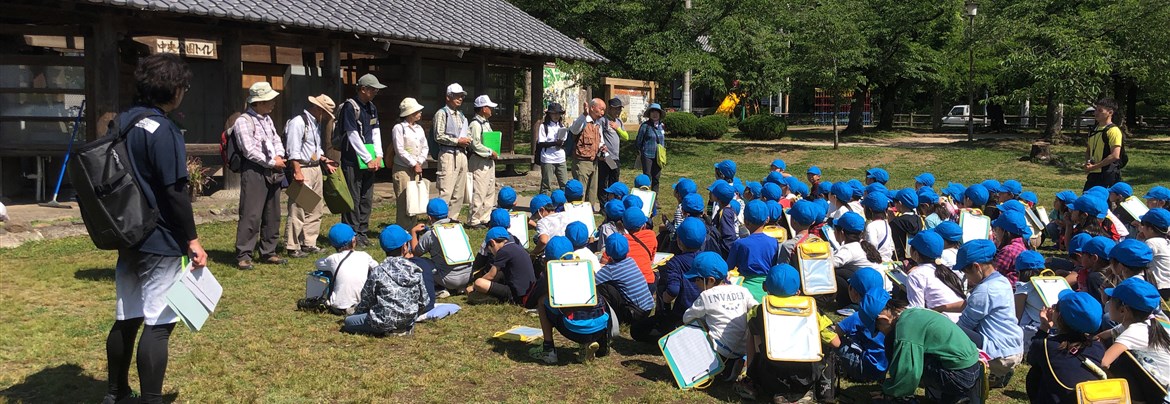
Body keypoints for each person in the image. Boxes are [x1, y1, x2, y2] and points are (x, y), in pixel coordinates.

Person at [102, 53, 207, 404]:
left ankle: (115, 393)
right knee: (158, 323)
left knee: (126, 316)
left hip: (124, 229)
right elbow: (175, 192)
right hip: (158, 235)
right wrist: (192, 239)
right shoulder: (164, 130)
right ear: (174, 89)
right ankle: (151, 399)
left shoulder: (123, 122)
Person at [740, 264, 840, 403]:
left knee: (753, 334)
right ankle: (806, 392)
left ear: (764, 287)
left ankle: (752, 379)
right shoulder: (812, 311)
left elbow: (756, 341)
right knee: (825, 342)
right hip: (807, 376)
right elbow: (836, 342)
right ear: (799, 291)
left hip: (770, 377)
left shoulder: (758, 311)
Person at [877, 300, 984, 403]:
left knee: (894, 344)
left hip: (959, 375)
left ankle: (903, 399)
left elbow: (908, 369)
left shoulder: (904, 329)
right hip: (973, 367)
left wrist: (892, 392)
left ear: (883, 319)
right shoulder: (914, 312)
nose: (880, 333)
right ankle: (953, 397)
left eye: (878, 329)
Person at [956, 239, 1024, 388]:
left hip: (998, 351)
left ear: (976, 267)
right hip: (1014, 346)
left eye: (966, 273)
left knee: (951, 330)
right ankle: (999, 373)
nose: (966, 278)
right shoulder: (1002, 280)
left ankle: (993, 372)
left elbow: (963, 325)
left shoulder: (985, 290)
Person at [531, 237, 611, 364]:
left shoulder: (551, 274)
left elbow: (533, 298)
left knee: (542, 301)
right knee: (585, 307)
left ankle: (548, 349)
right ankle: (587, 345)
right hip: (600, 326)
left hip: (574, 328)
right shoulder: (586, 267)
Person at [233, 81, 286, 270]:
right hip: (254, 170)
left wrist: (280, 156)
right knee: (251, 214)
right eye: (269, 100)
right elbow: (249, 150)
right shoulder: (243, 121)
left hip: (273, 169)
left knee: (273, 213)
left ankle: (268, 251)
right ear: (258, 102)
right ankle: (244, 254)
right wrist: (273, 162)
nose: (273, 103)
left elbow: (276, 139)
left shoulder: (267, 119)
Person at [342, 225, 431, 337]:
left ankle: (388, 330)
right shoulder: (415, 269)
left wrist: (358, 312)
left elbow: (367, 299)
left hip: (383, 319)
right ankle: (401, 329)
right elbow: (424, 300)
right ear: (405, 247)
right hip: (409, 319)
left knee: (348, 322)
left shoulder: (378, 271)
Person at [1025, 290, 1106, 404]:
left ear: (1059, 316)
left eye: (1056, 306)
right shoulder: (1098, 346)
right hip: (1089, 399)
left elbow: (1031, 358)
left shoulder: (1046, 346)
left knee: (1036, 371)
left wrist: (1044, 327)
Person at [632, 217, 705, 342]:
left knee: (637, 330)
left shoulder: (676, 262)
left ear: (679, 241)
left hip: (682, 315)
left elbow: (673, 290)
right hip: (704, 315)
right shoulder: (707, 259)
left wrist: (666, 300)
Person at [683, 252, 760, 371]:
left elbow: (686, 318)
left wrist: (704, 322)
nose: (695, 283)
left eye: (697, 279)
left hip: (720, 350)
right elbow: (756, 308)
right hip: (744, 348)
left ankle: (718, 365)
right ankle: (739, 363)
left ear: (711, 280)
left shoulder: (706, 296)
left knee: (691, 328)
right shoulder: (742, 290)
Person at [284, 94, 336, 258]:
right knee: (298, 209)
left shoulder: (314, 124)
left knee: (315, 208)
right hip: (303, 169)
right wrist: (297, 171)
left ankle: (309, 242)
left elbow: (314, 149)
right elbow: (293, 149)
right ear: (319, 109)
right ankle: (292, 246)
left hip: (315, 168)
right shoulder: (298, 122)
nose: (327, 117)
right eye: (326, 113)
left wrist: (323, 160)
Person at [337, 73, 386, 247]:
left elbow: (376, 132)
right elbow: (352, 135)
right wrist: (367, 158)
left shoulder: (371, 107)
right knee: (353, 198)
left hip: (370, 160)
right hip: (352, 160)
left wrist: (378, 156)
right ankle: (351, 234)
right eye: (372, 89)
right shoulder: (350, 107)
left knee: (366, 197)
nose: (375, 92)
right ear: (363, 89)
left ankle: (362, 232)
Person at [1097, 278, 1170, 391]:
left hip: (1165, 392)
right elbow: (1104, 335)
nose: (1108, 302)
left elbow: (1103, 363)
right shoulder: (1152, 322)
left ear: (1123, 310)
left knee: (1121, 364)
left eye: (1110, 299)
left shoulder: (1134, 331)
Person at [834, 269, 890, 383]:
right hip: (884, 366)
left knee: (834, 340)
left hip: (865, 368)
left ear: (854, 292)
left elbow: (836, 332)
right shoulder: (887, 314)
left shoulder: (858, 316)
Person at [410, 198, 471, 298]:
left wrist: (413, 232)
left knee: (420, 262)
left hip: (448, 279)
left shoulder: (430, 234)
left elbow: (415, 253)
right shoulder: (459, 227)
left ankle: (439, 289)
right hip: (467, 276)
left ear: (429, 217)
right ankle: (460, 287)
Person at [315, 224, 378, 315]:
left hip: (338, 306)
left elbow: (318, 263)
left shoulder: (332, 259)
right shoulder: (364, 255)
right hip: (362, 303)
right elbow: (377, 267)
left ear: (333, 244)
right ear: (353, 240)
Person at [905, 231, 965, 321]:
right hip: (960, 322)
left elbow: (917, 311)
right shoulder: (945, 270)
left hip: (943, 324)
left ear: (916, 254)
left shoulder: (915, 275)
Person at [596, 234, 655, 326]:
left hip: (635, 313)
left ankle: (612, 316)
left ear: (607, 252)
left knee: (604, 286)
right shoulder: (631, 260)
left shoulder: (610, 270)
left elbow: (594, 281)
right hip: (648, 307)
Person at [465, 227, 535, 305]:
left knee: (479, 282)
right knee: (499, 274)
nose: (491, 252)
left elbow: (491, 275)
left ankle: (494, 299)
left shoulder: (503, 251)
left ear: (492, 243)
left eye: (490, 249)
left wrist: (473, 287)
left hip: (516, 295)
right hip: (528, 291)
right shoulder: (516, 247)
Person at [433, 83, 471, 221]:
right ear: (448, 97)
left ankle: (453, 217)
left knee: (459, 190)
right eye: (456, 96)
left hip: (462, 153)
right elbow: (438, 136)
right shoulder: (442, 113)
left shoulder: (460, 115)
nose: (460, 98)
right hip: (448, 154)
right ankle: (439, 219)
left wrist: (468, 139)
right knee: (446, 189)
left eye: (461, 96)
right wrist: (457, 141)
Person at [727, 200, 779, 301]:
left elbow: (729, 267)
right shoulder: (774, 242)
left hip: (745, 288)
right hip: (768, 288)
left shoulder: (740, 244)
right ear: (767, 219)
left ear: (746, 221)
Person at [391, 97, 429, 229]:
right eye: (417, 111)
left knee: (414, 199)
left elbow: (425, 147)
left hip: (416, 168)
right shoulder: (399, 128)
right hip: (403, 168)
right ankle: (403, 229)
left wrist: (419, 162)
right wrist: (413, 163)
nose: (420, 113)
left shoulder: (419, 128)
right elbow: (399, 149)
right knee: (404, 200)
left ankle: (413, 227)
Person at [832, 212, 884, 308]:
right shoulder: (863, 245)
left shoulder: (848, 249)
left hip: (868, 291)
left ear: (842, 232)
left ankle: (848, 304)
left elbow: (829, 264)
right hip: (879, 288)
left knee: (835, 273)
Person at [467, 95, 501, 228]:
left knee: (489, 189)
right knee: (479, 190)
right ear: (483, 108)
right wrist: (489, 151)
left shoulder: (486, 123)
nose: (491, 109)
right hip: (480, 160)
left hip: (489, 160)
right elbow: (475, 144)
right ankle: (474, 219)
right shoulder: (475, 124)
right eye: (489, 107)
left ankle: (485, 217)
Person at [568, 98, 606, 208]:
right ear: (592, 108)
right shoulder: (583, 120)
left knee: (592, 191)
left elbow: (600, 140)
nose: (602, 113)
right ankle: (578, 211)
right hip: (582, 162)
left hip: (594, 162)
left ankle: (589, 211)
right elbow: (574, 130)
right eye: (601, 109)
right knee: (581, 190)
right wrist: (584, 115)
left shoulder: (598, 124)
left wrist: (602, 147)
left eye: (604, 110)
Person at [1083, 98, 1125, 191]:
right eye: (1095, 110)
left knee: (1104, 203)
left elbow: (1115, 155)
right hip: (1093, 174)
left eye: (1100, 110)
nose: (1096, 113)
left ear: (1110, 112)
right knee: (1086, 201)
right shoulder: (1093, 130)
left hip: (1108, 174)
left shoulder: (1113, 131)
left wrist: (1094, 166)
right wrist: (1088, 163)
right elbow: (1088, 150)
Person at [535, 103, 568, 194]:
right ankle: (544, 205)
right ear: (549, 114)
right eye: (554, 113)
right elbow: (541, 143)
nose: (556, 116)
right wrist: (554, 143)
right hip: (548, 158)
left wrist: (562, 143)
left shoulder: (562, 127)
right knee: (546, 185)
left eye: (558, 113)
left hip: (560, 158)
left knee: (564, 184)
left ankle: (563, 204)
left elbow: (565, 142)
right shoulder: (544, 126)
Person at [991, 210, 1030, 286]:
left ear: (1004, 231)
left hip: (1007, 290)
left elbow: (992, 274)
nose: (994, 232)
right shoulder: (1023, 244)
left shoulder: (1008, 250)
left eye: (996, 228)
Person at [599, 97, 629, 193]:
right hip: (606, 156)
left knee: (614, 181)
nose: (618, 111)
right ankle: (603, 205)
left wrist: (617, 128)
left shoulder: (619, 122)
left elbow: (626, 137)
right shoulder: (603, 120)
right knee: (604, 181)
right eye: (615, 108)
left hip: (615, 157)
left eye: (619, 109)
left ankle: (612, 201)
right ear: (610, 108)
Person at [1140, 208, 1170, 299]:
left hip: (1160, 286)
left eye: (1143, 225)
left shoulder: (1152, 242)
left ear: (1150, 229)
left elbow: (1137, 259)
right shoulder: (1165, 241)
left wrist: (1138, 241)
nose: (1141, 228)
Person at [635, 103, 665, 192]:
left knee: (656, 177)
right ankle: (646, 196)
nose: (655, 114)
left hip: (659, 156)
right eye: (653, 112)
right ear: (649, 114)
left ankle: (655, 199)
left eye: (657, 112)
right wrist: (640, 151)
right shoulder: (645, 126)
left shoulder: (661, 126)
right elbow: (639, 140)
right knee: (647, 177)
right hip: (647, 155)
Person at [890, 188, 923, 262]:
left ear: (900, 203)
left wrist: (891, 221)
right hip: (915, 258)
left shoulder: (896, 222)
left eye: (895, 202)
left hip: (899, 258)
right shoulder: (919, 219)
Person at [863, 191, 895, 263]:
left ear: (870, 209)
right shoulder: (886, 224)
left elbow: (872, 246)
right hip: (887, 261)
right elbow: (891, 246)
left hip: (876, 262)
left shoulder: (871, 226)